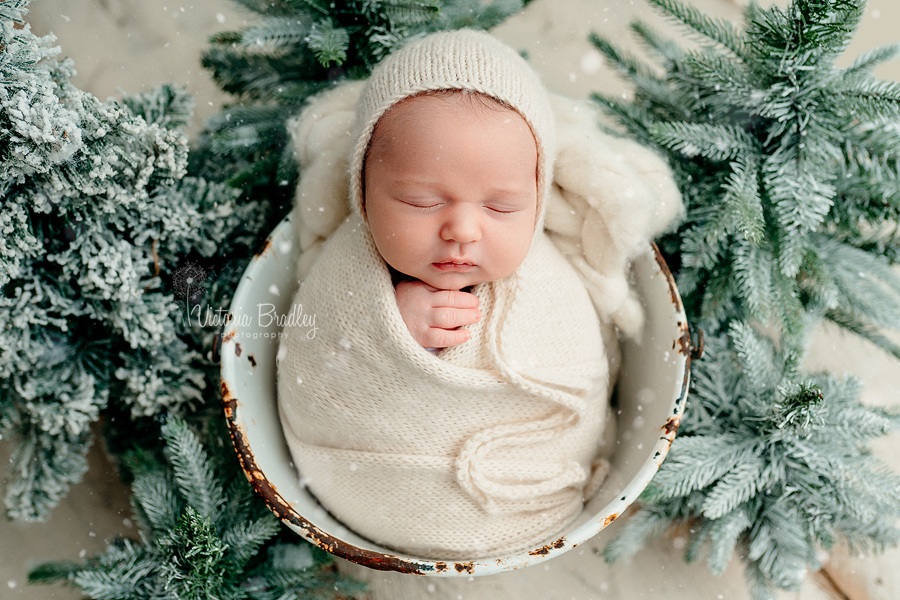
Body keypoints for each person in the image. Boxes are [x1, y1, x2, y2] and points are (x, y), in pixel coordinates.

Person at [277, 28, 681, 560]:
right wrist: (383, 329)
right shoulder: (345, 267)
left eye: (502, 207)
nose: (463, 229)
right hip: (368, 489)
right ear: (363, 191)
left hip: (534, 491)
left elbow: (583, 360)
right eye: (421, 201)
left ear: (538, 200)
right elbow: (312, 352)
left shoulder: (551, 274)